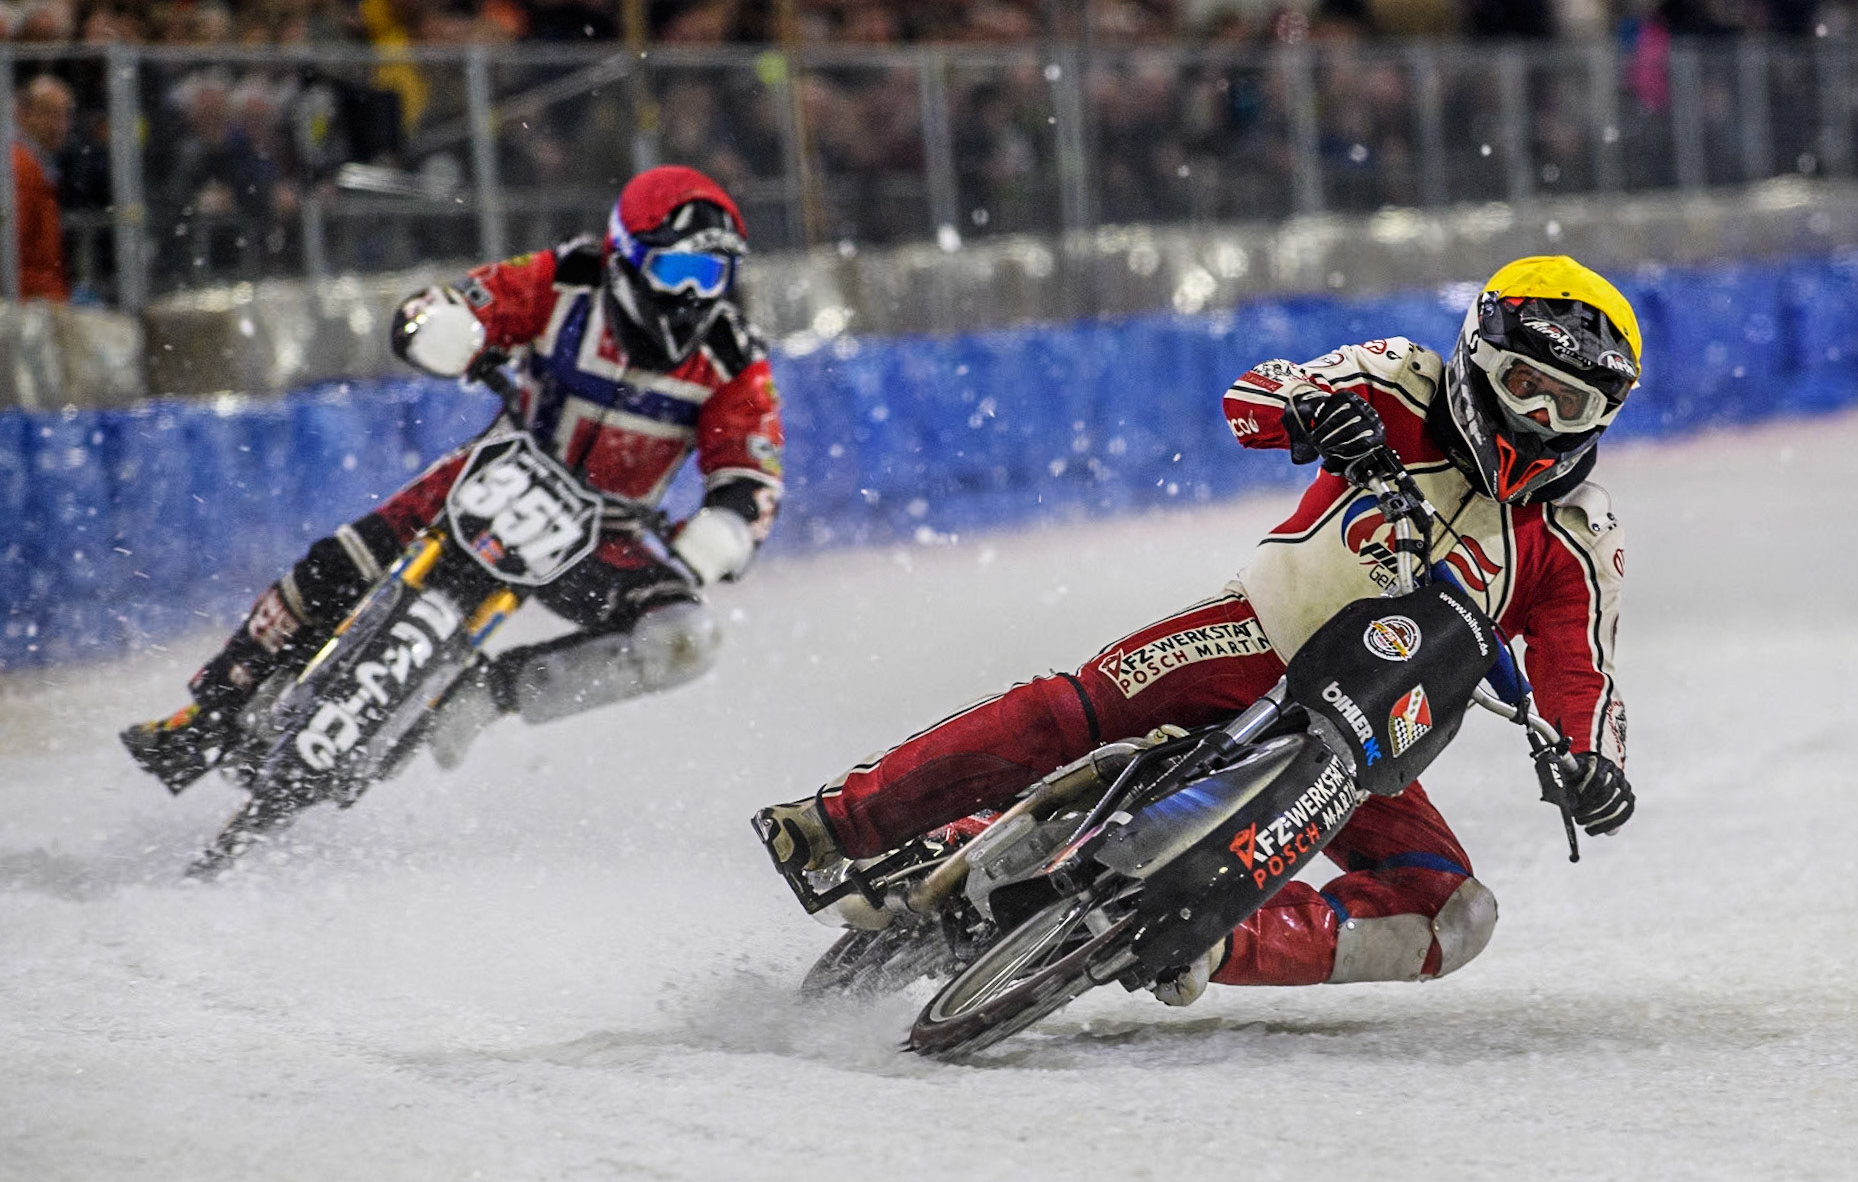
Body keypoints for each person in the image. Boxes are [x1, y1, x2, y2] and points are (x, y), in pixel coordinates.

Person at [755, 254, 1637, 1005]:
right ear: (1478, 359)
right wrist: (1302, 413)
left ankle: (1218, 943)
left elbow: (1579, 667)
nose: (1539, 421)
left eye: (1569, 407)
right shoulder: (1396, 379)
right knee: (1074, 709)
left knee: (1456, 911)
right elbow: (1254, 392)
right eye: (1525, 386)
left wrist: (1590, 761)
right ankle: (842, 822)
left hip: (1368, 735)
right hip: (1250, 637)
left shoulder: (1575, 537)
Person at [123, 164, 783, 792]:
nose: (694, 293)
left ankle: (485, 694)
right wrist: (446, 328)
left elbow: (753, 464)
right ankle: (206, 714)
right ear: (626, 256)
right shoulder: (566, 277)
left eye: (712, 273)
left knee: (683, 638)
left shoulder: (733, 357)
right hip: (492, 476)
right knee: (333, 565)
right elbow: (451, 302)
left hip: (602, 535)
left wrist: (727, 525)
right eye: (677, 269)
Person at [11, 74, 73, 302]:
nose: (61, 125)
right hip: (30, 302)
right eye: (51, 113)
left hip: (39, 298)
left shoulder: (36, 164)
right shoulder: (19, 167)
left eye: (65, 115)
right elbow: (13, 242)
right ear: (23, 113)